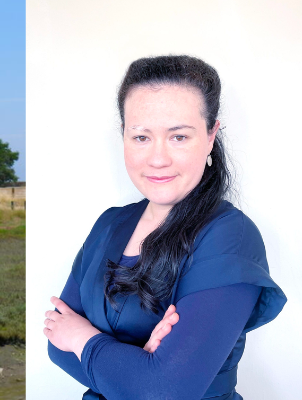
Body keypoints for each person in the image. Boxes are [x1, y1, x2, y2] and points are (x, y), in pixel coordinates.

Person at [43, 55, 286, 400]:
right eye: (141, 137)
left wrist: (82, 338)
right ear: (123, 136)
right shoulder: (110, 224)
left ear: (211, 135)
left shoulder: (230, 238)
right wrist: (140, 362)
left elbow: (165, 391)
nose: (158, 158)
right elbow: (56, 344)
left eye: (179, 137)